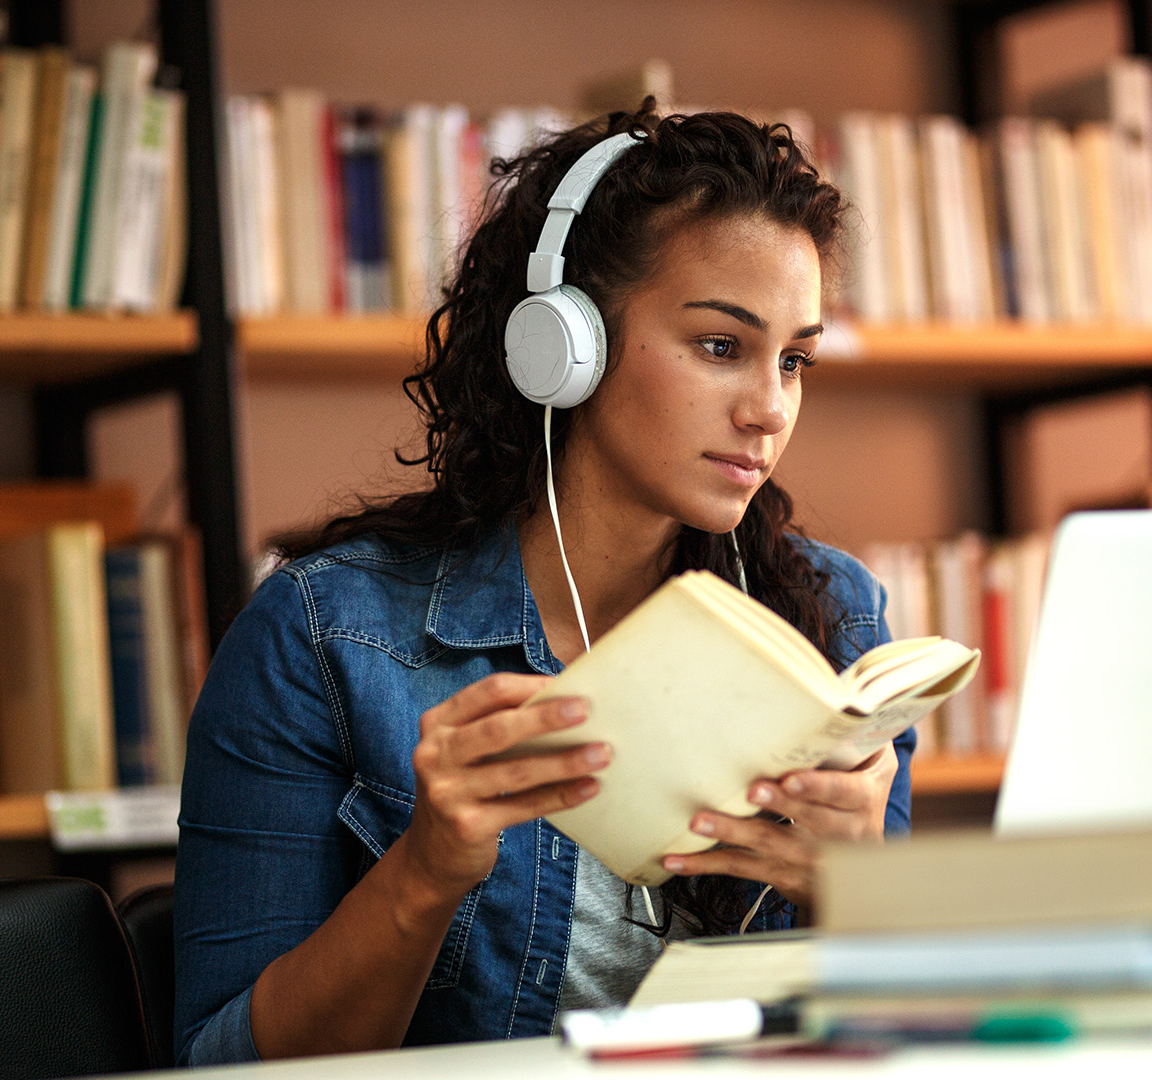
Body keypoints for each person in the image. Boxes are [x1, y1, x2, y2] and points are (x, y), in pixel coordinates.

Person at [174, 106, 917, 1065]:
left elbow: (890, 1043)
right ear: (566, 345)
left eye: (795, 359)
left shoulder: (834, 622)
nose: (769, 410)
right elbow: (224, 1063)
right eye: (721, 347)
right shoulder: (322, 637)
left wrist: (859, 894)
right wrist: (426, 872)